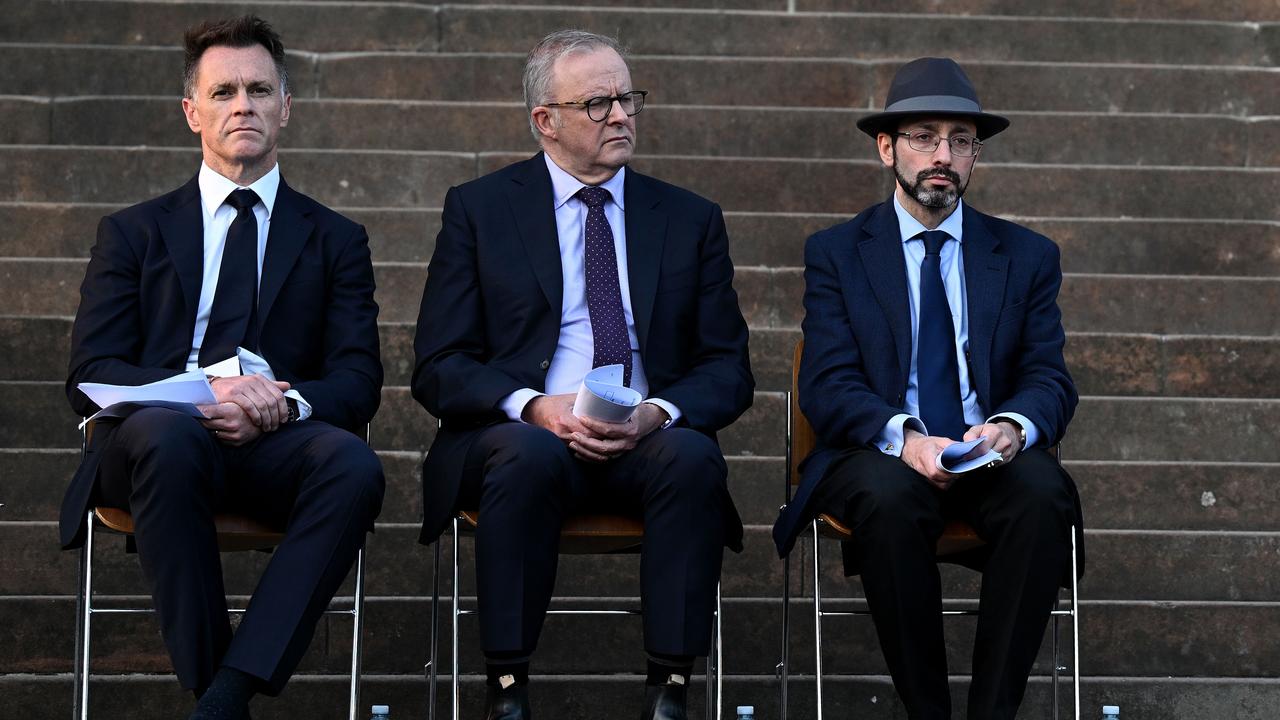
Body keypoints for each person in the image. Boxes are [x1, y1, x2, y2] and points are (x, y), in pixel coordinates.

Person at [412, 29, 754, 720]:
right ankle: (507, 689)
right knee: (525, 453)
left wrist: (656, 412)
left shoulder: (689, 219)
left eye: (628, 98)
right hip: (523, 438)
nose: (623, 115)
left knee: (691, 459)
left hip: (645, 438)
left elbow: (728, 368)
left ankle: (671, 690)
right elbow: (438, 365)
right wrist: (535, 406)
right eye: (599, 104)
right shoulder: (480, 210)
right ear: (546, 121)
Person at [60, 16, 384, 720]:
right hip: (157, 444)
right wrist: (204, 390)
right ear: (192, 112)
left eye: (260, 89)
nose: (244, 104)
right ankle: (219, 689)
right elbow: (89, 370)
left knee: (355, 466)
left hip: (276, 446)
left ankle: (225, 695)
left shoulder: (336, 239)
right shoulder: (133, 232)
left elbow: (358, 381)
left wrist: (282, 403)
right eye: (225, 90)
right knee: (169, 439)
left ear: (285, 107)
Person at [772, 57, 1084, 719]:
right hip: (880, 455)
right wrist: (905, 436)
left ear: (974, 155)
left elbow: (1048, 377)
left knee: (1043, 493)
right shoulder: (837, 252)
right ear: (886, 147)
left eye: (960, 140)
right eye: (922, 136)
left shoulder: (1026, 257)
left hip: (987, 454)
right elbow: (827, 384)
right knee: (889, 497)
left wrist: (1011, 427)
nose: (942, 155)